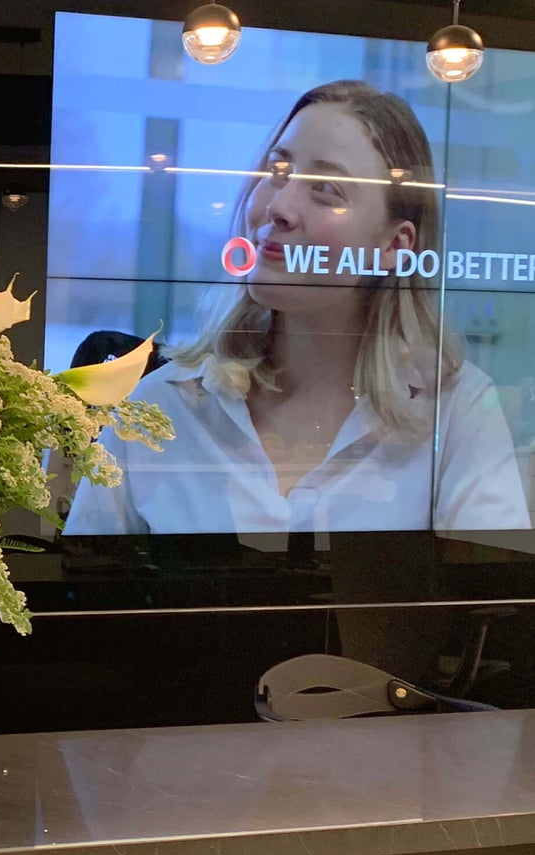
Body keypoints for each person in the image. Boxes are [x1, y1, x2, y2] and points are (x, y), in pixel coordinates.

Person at [65, 80, 530, 535]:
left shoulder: (455, 413)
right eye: (278, 172)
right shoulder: (161, 407)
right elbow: (85, 601)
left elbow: (490, 603)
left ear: (395, 244)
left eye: (325, 188)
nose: (278, 207)